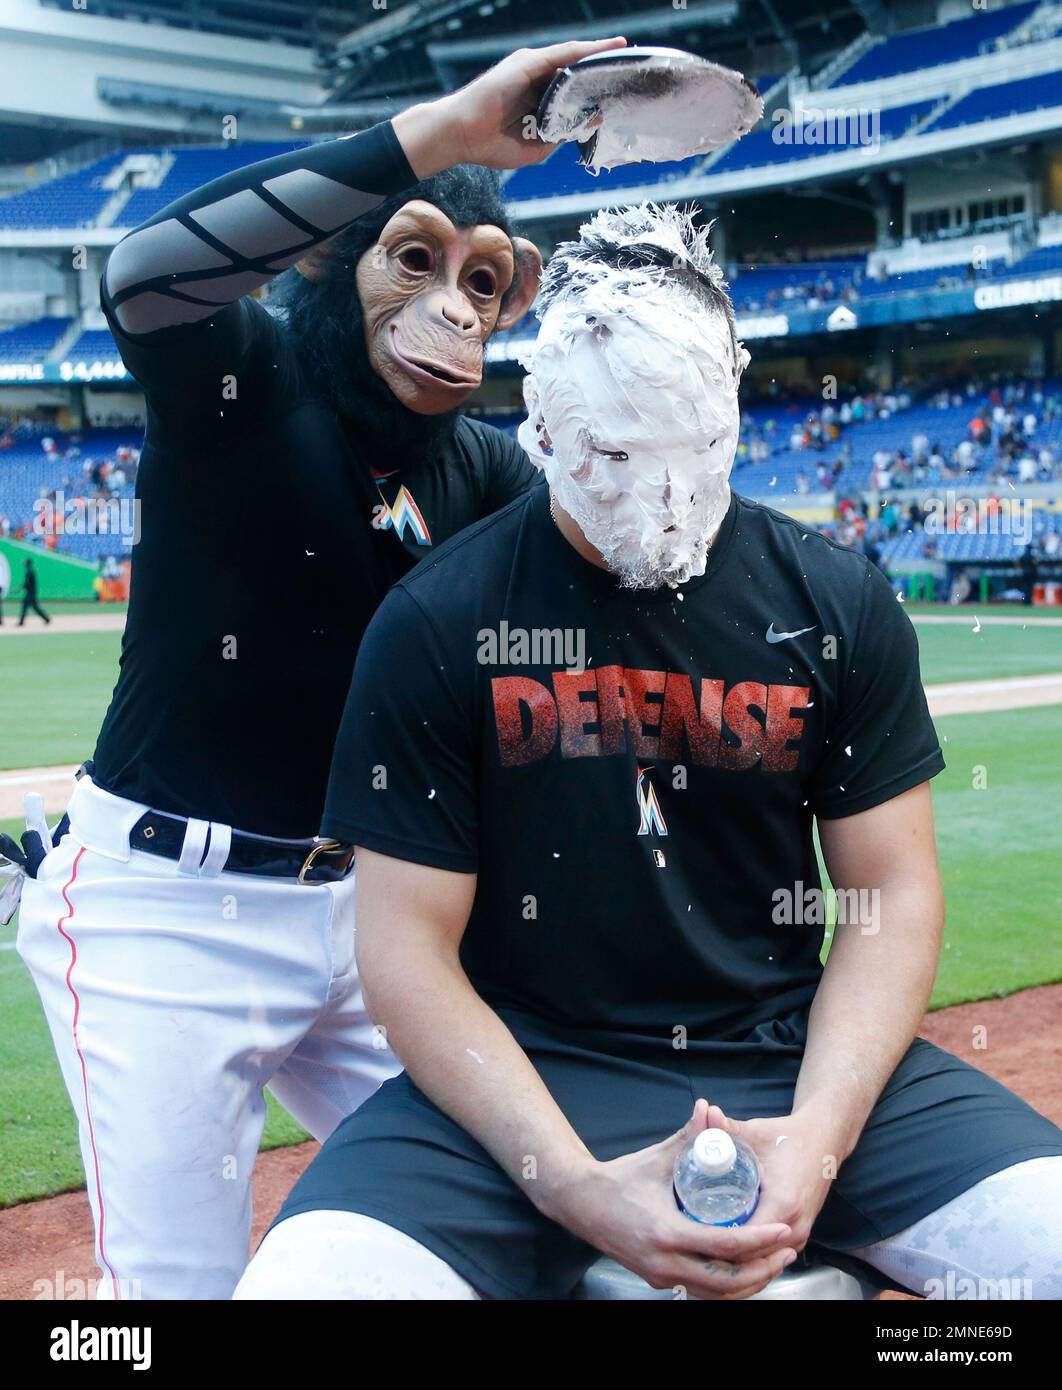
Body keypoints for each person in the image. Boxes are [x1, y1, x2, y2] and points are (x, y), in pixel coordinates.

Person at [236, 206, 1062, 1301]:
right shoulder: (437, 619)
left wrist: (816, 1139)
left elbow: (891, 894)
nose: (668, 503)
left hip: (789, 1051)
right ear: (542, 426)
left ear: (733, 409)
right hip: (521, 1075)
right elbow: (405, 955)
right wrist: (570, 1183)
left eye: (701, 454)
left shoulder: (838, 599)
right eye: (619, 458)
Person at [12, 36, 627, 1301]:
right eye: (417, 259)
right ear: (333, 263)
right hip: (163, 913)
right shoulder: (248, 374)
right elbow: (143, 269)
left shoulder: (481, 471)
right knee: (164, 1304)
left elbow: (616, 576)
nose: (457, 307)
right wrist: (446, 131)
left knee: (514, 1217)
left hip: (371, 919)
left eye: (485, 282)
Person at [14, 557, 51, 626]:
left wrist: (18, 589)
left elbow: (26, 583)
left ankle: (21, 622)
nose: (24, 564)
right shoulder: (31, 571)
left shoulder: (29, 572)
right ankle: (46, 619)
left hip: (30, 593)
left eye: (25, 562)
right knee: (33, 607)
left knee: (27, 606)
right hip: (31, 592)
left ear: (28, 563)